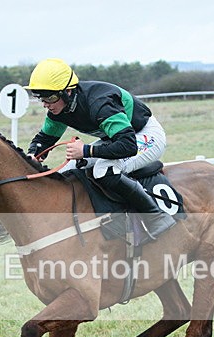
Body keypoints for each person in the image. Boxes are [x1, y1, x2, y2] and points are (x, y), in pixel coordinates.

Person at [25, 58, 175, 240]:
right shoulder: (59, 110)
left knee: (104, 170)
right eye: (41, 98)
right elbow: (45, 138)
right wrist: (33, 154)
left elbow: (128, 146)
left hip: (144, 135)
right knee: (67, 171)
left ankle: (156, 217)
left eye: (50, 97)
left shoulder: (100, 103)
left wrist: (86, 151)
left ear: (68, 91)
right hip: (117, 139)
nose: (46, 104)